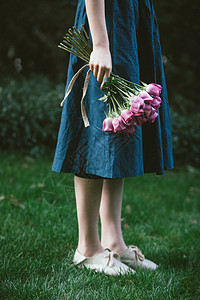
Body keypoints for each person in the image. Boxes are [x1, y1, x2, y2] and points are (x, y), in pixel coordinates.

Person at [52, 0, 174, 275]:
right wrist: (101, 44)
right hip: (106, 23)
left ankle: (113, 241)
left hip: (129, 21)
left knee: (121, 126)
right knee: (94, 131)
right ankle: (87, 248)